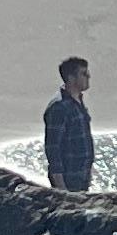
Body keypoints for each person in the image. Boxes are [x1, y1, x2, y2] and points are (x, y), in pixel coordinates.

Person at [42, 55, 94, 192]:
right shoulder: (59, 107)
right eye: (83, 73)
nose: (88, 76)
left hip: (81, 178)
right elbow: (53, 148)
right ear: (71, 78)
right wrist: (61, 188)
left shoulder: (78, 103)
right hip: (68, 180)